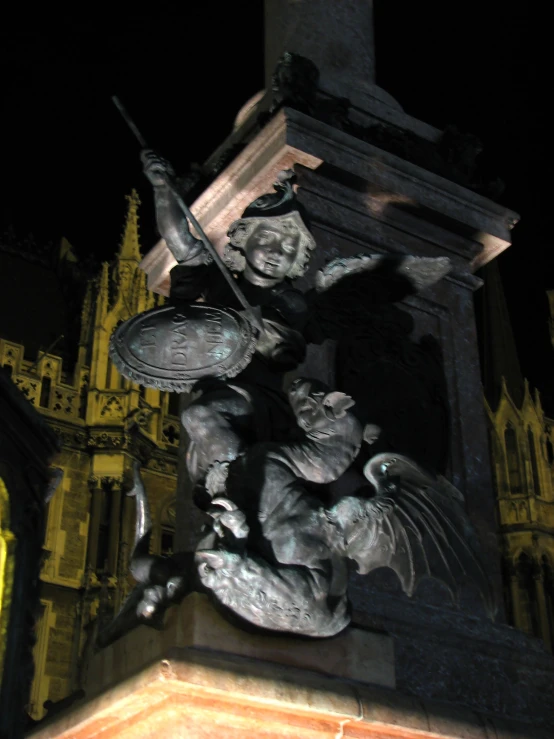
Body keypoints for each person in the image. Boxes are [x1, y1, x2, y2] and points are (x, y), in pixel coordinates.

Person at [142, 151, 317, 492]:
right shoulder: (222, 281)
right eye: (266, 238)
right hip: (220, 394)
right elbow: (180, 239)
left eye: (289, 245)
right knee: (200, 418)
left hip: (258, 401)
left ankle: (242, 491)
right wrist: (163, 189)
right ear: (244, 240)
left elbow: (287, 350)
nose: (277, 250)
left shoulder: (289, 301)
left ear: (298, 258)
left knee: (197, 416)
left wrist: (260, 330)